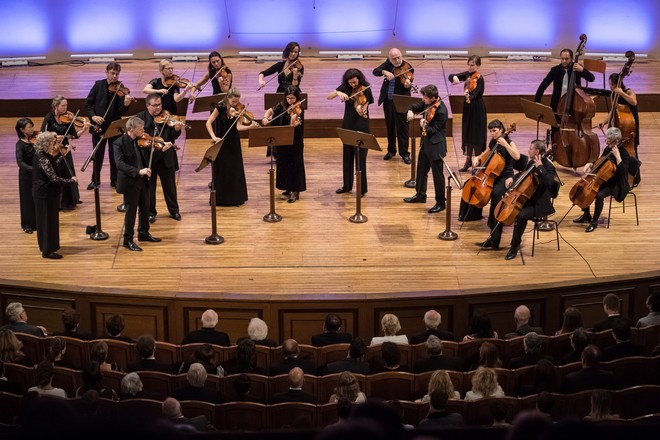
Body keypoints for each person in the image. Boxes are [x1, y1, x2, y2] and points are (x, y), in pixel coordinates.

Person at [502, 140, 557, 260]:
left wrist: (540, 167)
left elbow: (549, 182)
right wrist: (512, 177)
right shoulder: (531, 162)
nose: (528, 150)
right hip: (526, 199)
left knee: (520, 216)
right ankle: (495, 239)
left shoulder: (548, 165)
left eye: (531, 148)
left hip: (538, 204)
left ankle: (514, 246)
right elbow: (523, 174)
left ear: (537, 151)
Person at [572, 127, 634, 233]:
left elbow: (623, 173)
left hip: (615, 184)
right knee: (586, 189)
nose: (606, 141)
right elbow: (599, 161)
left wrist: (618, 157)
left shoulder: (624, 154)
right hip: (603, 179)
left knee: (599, 195)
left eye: (608, 140)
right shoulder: (607, 149)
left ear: (616, 141)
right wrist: (590, 164)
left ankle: (594, 222)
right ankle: (586, 215)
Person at [472, 119, 521, 250]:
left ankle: (495, 239)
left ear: (502, 130)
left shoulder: (509, 141)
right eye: (490, 131)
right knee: (489, 196)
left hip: (507, 177)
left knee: (496, 196)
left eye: (494, 131)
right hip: (495, 175)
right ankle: (493, 237)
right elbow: (486, 153)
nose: (492, 133)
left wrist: (506, 144)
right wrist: (477, 157)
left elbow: (517, 157)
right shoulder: (493, 141)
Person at [84, 61, 133, 190]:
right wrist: (93, 116)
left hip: (114, 126)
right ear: (106, 72)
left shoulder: (121, 88)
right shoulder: (98, 85)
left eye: (117, 74)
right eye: (112, 73)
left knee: (114, 155)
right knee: (97, 155)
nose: (115, 77)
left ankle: (115, 180)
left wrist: (127, 105)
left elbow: (121, 111)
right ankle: (95, 180)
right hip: (98, 126)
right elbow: (88, 104)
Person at [113, 116, 159, 252]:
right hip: (130, 182)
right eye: (140, 129)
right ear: (132, 129)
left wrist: (161, 148)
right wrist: (138, 171)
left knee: (145, 208)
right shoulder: (119, 143)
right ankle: (128, 240)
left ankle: (143, 233)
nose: (143, 131)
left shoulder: (140, 141)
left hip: (143, 181)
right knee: (131, 212)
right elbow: (120, 164)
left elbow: (148, 152)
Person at [136, 93, 182, 223]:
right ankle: (151, 212)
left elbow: (173, 136)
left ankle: (174, 210)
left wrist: (177, 130)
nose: (158, 108)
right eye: (155, 105)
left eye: (160, 104)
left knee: (170, 186)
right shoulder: (141, 118)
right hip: (149, 157)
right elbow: (140, 137)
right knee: (150, 187)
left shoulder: (167, 116)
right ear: (147, 105)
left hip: (166, 156)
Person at [31, 132, 78, 259]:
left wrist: (64, 155)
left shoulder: (42, 155)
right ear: (46, 143)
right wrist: (71, 181)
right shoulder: (43, 158)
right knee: (47, 222)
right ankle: (47, 250)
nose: (54, 145)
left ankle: (48, 247)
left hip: (46, 193)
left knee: (49, 221)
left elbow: (53, 167)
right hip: (44, 194)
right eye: (52, 142)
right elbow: (54, 179)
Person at [328, 68, 374, 197]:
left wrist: (362, 110)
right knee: (347, 158)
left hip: (361, 126)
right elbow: (328, 96)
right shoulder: (345, 87)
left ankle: (362, 189)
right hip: (348, 125)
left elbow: (366, 105)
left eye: (355, 82)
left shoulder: (366, 88)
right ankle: (347, 186)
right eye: (351, 83)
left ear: (359, 79)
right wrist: (338, 93)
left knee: (360, 160)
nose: (353, 85)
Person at [403, 84, 448, 213]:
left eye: (425, 97)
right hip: (425, 144)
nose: (423, 99)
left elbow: (435, 130)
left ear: (433, 98)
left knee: (437, 176)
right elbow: (413, 105)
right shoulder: (427, 104)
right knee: (421, 171)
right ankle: (420, 195)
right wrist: (411, 111)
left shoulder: (441, 111)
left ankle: (441, 202)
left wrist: (424, 126)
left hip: (436, 146)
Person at [205, 87, 251, 207]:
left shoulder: (239, 109)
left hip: (233, 142)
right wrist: (214, 137)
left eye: (237, 101)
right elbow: (208, 122)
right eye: (233, 102)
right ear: (228, 98)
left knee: (234, 170)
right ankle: (221, 199)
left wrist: (250, 127)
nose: (235, 104)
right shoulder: (220, 107)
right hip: (220, 141)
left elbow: (239, 127)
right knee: (221, 170)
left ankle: (236, 198)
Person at [262, 85, 307, 203]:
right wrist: (265, 117)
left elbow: (293, 126)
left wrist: (293, 118)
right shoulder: (282, 105)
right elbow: (270, 110)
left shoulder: (299, 109)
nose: (290, 101)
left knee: (295, 164)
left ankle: (296, 191)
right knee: (283, 163)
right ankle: (288, 187)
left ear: (297, 97)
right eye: (288, 98)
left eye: (292, 98)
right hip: (282, 139)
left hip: (295, 141)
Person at [40, 96, 86, 211]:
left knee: (68, 172)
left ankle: (72, 200)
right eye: (63, 106)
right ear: (56, 106)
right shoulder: (49, 118)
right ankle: (60, 203)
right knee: (58, 173)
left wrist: (85, 128)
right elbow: (42, 135)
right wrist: (53, 136)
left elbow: (74, 135)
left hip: (66, 149)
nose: (66, 108)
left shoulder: (67, 119)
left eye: (66, 105)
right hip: (54, 150)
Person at [373, 48, 413, 163]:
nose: (397, 60)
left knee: (403, 128)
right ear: (390, 59)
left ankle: (405, 153)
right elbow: (375, 71)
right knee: (390, 126)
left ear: (401, 55)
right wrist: (385, 72)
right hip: (388, 100)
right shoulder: (388, 64)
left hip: (401, 101)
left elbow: (408, 86)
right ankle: (391, 150)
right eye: (394, 59)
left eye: (398, 57)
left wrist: (407, 85)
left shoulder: (408, 67)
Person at [449, 55, 487, 173]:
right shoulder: (467, 75)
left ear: (478, 66)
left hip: (477, 108)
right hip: (467, 107)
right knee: (468, 132)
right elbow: (451, 76)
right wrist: (454, 77)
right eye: (469, 65)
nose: (470, 67)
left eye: (473, 65)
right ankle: (468, 160)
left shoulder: (480, 78)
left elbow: (479, 93)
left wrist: (469, 95)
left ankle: (477, 161)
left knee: (476, 134)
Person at [534, 48, 595, 114]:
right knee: (556, 123)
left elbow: (591, 79)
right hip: (557, 104)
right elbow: (543, 85)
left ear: (571, 59)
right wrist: (537, 101)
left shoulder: (577, 68)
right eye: (562, 59)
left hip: (574, 105)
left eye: (566, 59)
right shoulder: (555, 70)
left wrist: (583, 70)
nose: (564, 61)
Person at [15, 118, 37, 234]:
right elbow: (20, 162)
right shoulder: (20, 145)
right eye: (29, 127)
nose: (32, 129)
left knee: (36, 198)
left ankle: (37, 222)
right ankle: (27, 224)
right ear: (22, 130)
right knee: (27, 200)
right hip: (26, 177)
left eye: (32, 126)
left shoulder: (34, 140)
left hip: (37, 175)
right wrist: (34, 169)